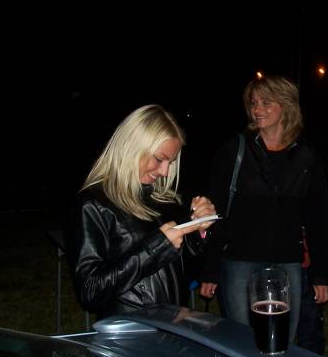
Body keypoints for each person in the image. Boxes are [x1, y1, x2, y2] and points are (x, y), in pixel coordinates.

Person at [199, 75, 328, 342]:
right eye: (254, 103)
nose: (257, 109)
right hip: (239, 261)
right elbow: (217, 213)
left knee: (282, 340)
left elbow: (319, 219)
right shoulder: (235, 150)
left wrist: (320, 274)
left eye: (266, 102)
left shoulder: (306, 155)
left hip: (287, 262)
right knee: (242, 341)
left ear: (286, 105)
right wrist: (211, 269)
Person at [66, 104, 217, 319]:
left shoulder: (163, 200)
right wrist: (157, 247)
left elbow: (186, 275)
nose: (165, 171)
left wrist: (199, 230)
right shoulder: (94, 203)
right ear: (133, 147)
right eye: (159, 159)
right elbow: (90, 291)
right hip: (130, 327)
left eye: (171, 162)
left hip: (171, 322)